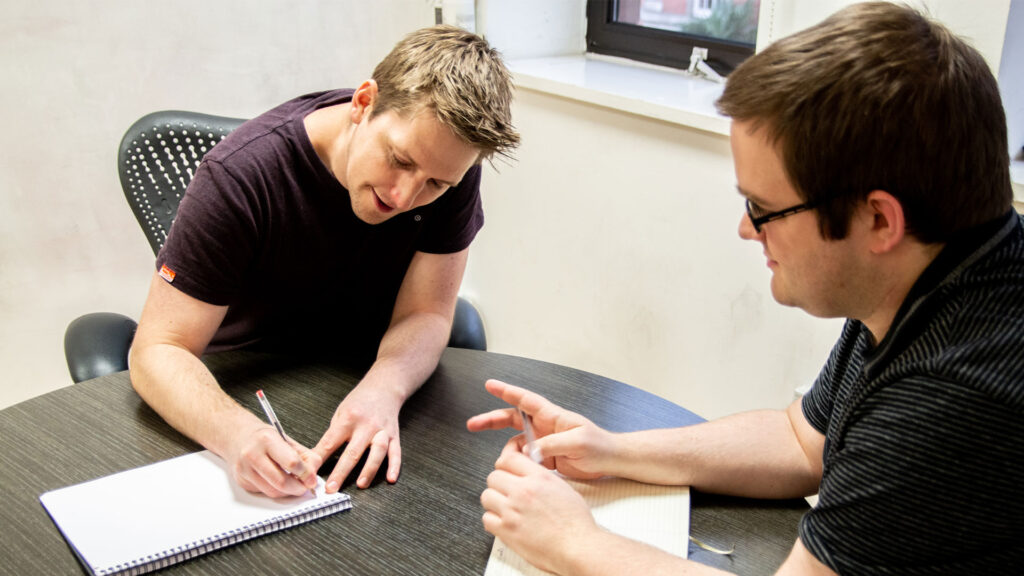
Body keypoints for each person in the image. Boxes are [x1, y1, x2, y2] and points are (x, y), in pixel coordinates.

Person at [468, 3, 1023, 574]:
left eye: (762, 207)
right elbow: (801, 441)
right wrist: (611, 449)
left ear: (879, 221)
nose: (744, 229)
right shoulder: (933, 271)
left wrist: (575, 542)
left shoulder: (950, 398)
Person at [129, 25, 519, 499]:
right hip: (246, 386)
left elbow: (427, 312)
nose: (405, 196)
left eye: (435, 184)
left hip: (364, 379)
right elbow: (157, 351)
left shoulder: (449, 167)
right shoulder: (238, 179)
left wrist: (385, 387)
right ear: (363, 103)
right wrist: (237, 434)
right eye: (398, 159)